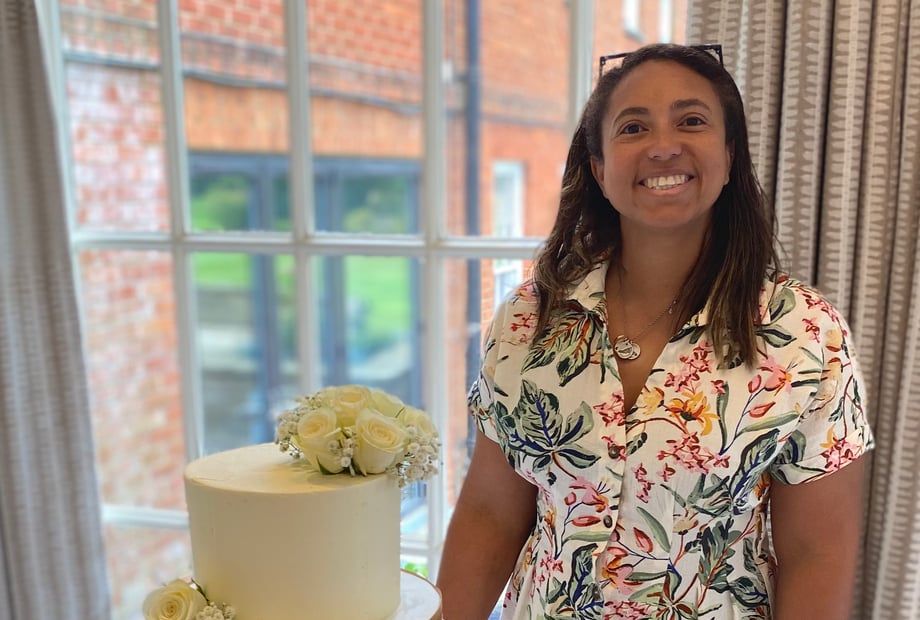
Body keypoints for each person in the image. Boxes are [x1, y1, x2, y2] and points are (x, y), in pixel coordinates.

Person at [437, 43, 874, 620]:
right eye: (633, 127)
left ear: (728, 155)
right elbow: (491, 512)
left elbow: (817, 553)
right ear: (599, 170)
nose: (663, 146)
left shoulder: (804, 334)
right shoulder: (528, 318)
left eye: (691, 121)